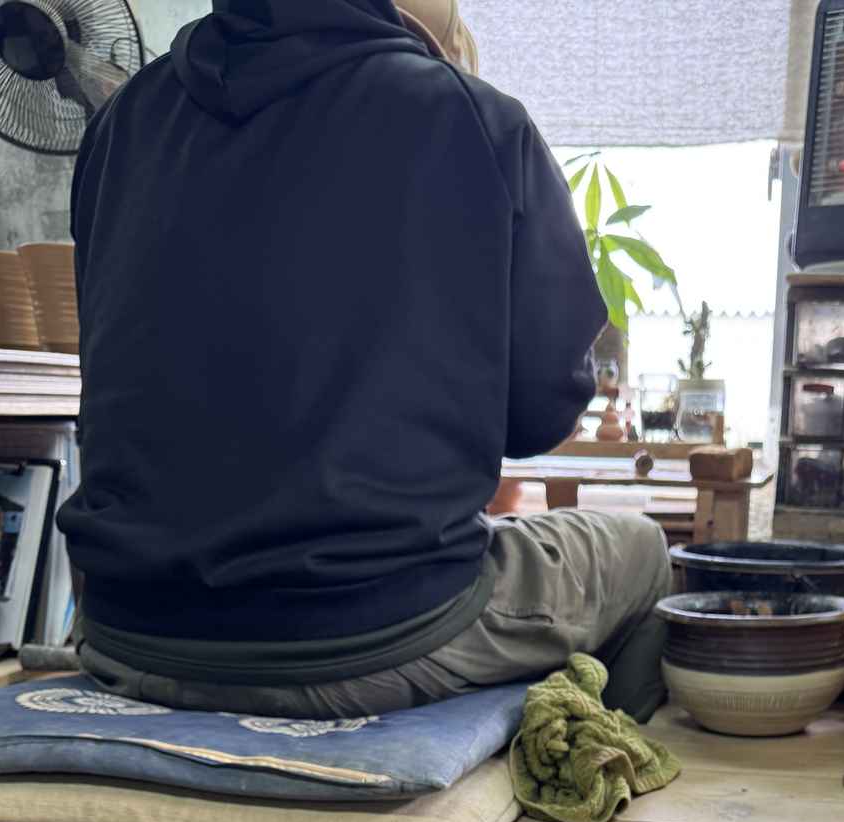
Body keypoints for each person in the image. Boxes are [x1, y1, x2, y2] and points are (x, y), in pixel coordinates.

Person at [60, 0, 672, 722]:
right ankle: (575, 787)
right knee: (641, 547)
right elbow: (541, 412)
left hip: (126, 632)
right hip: (369, 634)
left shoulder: (118, 125)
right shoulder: (468, 116)